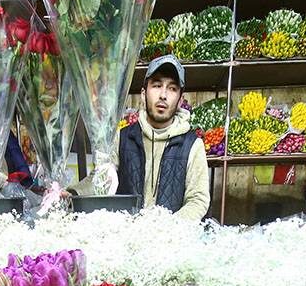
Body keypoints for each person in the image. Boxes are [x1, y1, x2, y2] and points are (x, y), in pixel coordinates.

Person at [68, 54, 210, 220]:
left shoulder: (192, 145)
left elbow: (198, 200)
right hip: (127, 233)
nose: (163, 95)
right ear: (143, 94)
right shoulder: (122, 138)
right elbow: (100, 180)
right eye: (157, 85)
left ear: (180, 100)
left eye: (172, 88)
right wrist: (73, 193)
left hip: (170, 234)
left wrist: (169, 228)